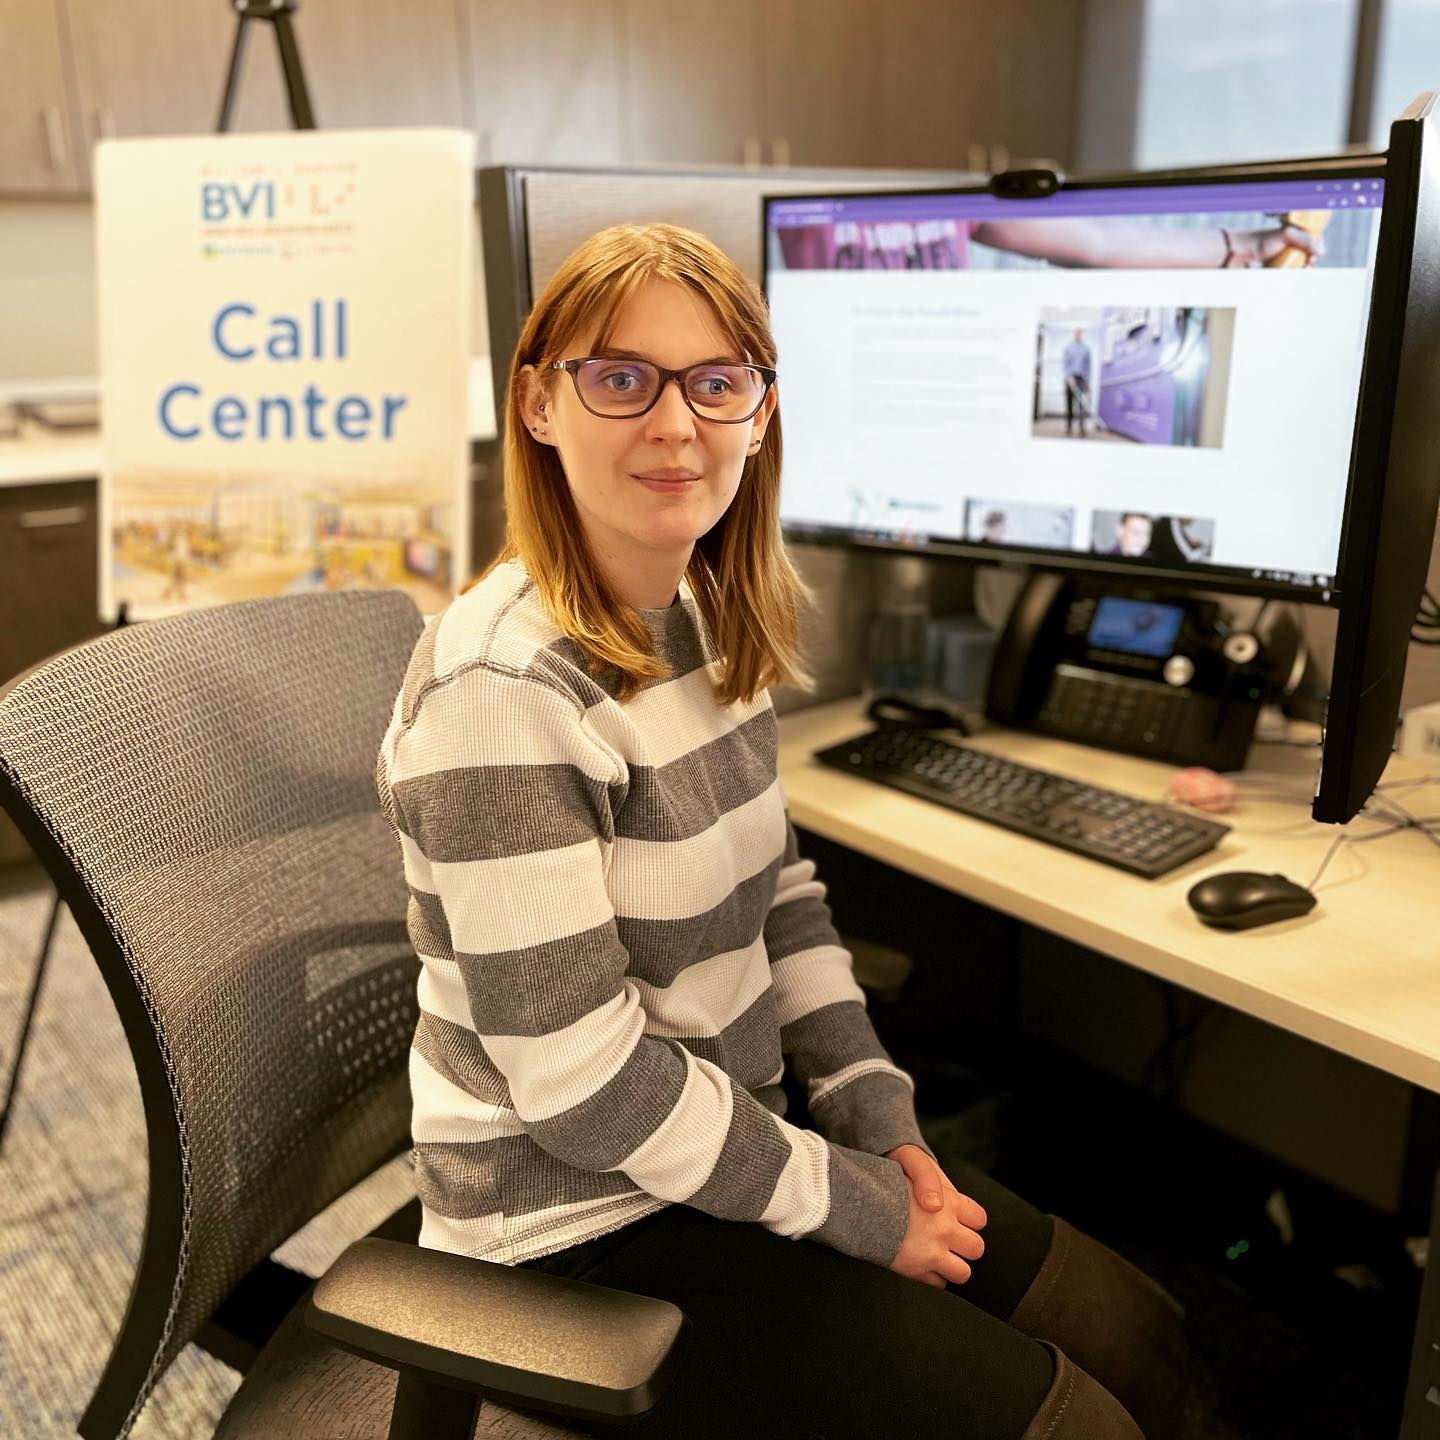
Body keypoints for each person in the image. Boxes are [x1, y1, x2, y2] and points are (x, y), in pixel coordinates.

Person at [376, 224, 1189, 1440]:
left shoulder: (701, 605)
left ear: (760, 412)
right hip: (577, 1229)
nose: (675, 424)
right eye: (619, 377)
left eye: (717, 382)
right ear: (540, 404)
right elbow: (588, 1098)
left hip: (731, 1139)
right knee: (1078, 1425)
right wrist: (858, 1210)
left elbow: (781, 896)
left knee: (1134, 1329)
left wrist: (879, 1119)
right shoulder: (501, 693)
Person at [1061, 327, 1093, 437]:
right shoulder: (1068, 348)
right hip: (1070, 379)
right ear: (1074, 334)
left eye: (1079, 333)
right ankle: (1069, 427)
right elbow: (1065, 364)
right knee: (1069, 403)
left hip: (1081, 379)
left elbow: (1088, 366)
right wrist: (1069, 377)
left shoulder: (1086, 348)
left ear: (1081, 334)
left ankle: (1081, 429)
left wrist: (1088, 380)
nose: (1078, 334)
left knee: (1081, 404)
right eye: (1076, 333)